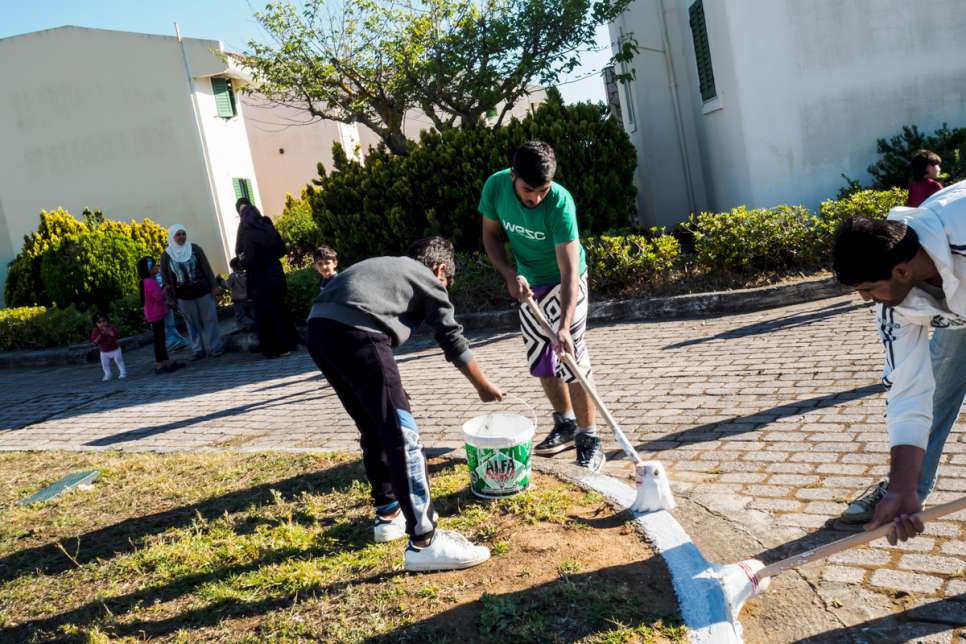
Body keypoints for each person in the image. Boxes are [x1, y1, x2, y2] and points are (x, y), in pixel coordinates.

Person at [307, 236, 502, 571]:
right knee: (402, 433)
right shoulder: (427, 276)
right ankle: (425, 541)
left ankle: (388, 515)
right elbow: (452, 338)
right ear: (440, 269)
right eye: (446, 283)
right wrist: (483, 386)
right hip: (358, 331)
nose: (443, 289)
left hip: (318, 330)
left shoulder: (389, 266)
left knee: (373, 425)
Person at [831, 180, 966, 543]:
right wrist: (902, 487)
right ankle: (910, 486)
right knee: (935, 389)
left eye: (868, 290)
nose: (866, 301)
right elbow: (908, 387)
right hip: (957, 304)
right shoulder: (894, 302)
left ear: (902, 271)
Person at [479, 140, 603, 471]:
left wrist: (563, 325)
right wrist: (508, 273)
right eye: (528, 189)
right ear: (513, 177)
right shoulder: (496, 186)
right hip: (528, 282)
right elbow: (490, 235)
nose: (535, 197)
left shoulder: (560, 203)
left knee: (571, 355)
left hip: (564, 281)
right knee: (542, 359)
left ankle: (589, 437)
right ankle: (564, 423)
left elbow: (569, 270)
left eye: (542, 190)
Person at [235, 199, 298, 358]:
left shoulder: (248, 233)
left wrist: (241, 262)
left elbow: (249, 259)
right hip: (276, 273)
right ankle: (291, 343)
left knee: (266, 314)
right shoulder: (269, 227)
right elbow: (282, 250)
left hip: (260, 279)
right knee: (281, 309)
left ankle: (277, 348)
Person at [160, 224, 224, 360]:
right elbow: (166, 278)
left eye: (183, 233)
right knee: (192, 324)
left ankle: (216, 347)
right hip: (184, 296)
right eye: (178, 234)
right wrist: (171, 298)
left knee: (210, 319)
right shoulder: (166, 255)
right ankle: (198, 350)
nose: (181, 237)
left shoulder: (195, 249)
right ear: (172, 236)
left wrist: (214, 286)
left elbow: (206, 268)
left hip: (203, 291)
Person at [138, 256, 185, 375]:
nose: (156, 267)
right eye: (153, 266)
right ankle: (160, 364)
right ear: (148, 269)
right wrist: (165, 289)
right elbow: (159, 297)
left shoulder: (145, 282)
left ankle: (165, 362)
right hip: (156, 314)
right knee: (159, 340)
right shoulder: (150, 282)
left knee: (160, 339)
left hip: (153, 314)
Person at [154, 269, 190, 352]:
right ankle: (179, 342)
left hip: (164, 305)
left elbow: (162, 289)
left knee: (168, 326)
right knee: (169, 326)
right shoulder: (158, 275)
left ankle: (177, 342)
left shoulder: (156, 277)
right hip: (166, 304)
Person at [220, 257, 256, 329]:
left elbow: (227, 285)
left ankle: (247, 326)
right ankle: (252, 324)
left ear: (234, 267)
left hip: (238, 301)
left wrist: (221, 281)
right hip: (248, 299)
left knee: (240, 316)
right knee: (249, 314)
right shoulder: (247, 275)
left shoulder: (233, 276)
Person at [90, 313, 126, 381]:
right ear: (96, 324)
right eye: (99, 322)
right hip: (104, 351)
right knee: (105, 364)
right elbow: (94, 342)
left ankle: (123, 372)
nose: (102, 324)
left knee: (119, 360)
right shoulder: (96, 331)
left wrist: (110, 333)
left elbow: (117, 335)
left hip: (115, 349)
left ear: (107, 321)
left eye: (104, 321)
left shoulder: (111, 328)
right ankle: (108, 374)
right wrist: (98, 337)